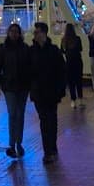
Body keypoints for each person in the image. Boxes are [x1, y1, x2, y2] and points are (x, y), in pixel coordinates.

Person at [28, 22, 66, 164]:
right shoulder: (32, 51)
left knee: (52, 120)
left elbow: (61, 71)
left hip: (51, 91)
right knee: (45, 121)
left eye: (37, 32)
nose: (35, 35)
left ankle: (52, 148)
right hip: (39, 92)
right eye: (35, 32)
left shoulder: (54, 51)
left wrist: (61, 89)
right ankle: (48, 150)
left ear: (44, 33)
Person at [0, 22, 31, 159]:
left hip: (22, 87)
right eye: (12, 31)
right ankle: (12, 144)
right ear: (8, 33)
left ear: (19, 34)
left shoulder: (25, 48)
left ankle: (17, 142)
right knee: (13, 113)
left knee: (19, 115)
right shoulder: (3, 49)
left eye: (16, 32)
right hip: (9, 87)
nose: (14, 34)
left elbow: (29, 68)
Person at [60, 23, 85, 109]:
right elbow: (81, 49)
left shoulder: (64, 40)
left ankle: (73, 101)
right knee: (79, 82)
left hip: (69, 63)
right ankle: (81, 100)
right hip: (78, 62)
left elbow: (62, 51)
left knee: (71, 83)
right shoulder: (77, 39)